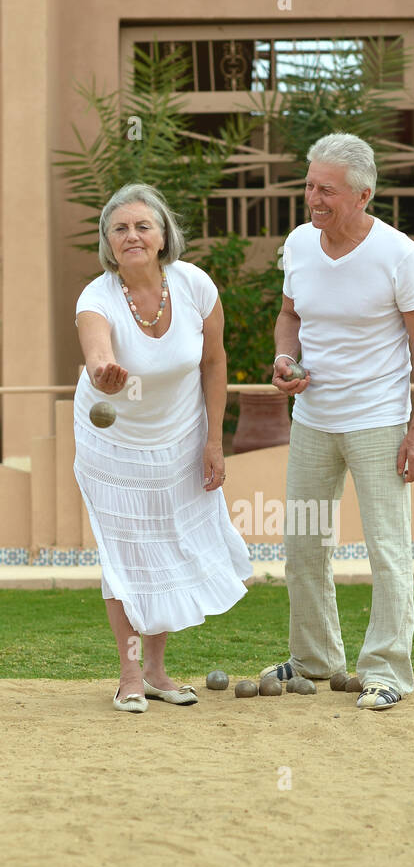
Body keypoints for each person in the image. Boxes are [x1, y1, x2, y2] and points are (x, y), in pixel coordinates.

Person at [261, 132, 414, 710]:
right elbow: (289, 317)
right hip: (312, 422)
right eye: (310, 185)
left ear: (363, 195)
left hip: (380, 423)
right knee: (304, 545)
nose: (313, 197)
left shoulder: (399, 255)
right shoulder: (299, 245)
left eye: (327, 189)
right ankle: (315, 660)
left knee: (387, 548)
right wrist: (285, 359)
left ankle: (388, 670)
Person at [73, 182, 252, 712]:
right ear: (108, 241)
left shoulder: (195, 284)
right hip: (114, 443)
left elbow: (214, 362)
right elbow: (96, 347)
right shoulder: (97, 297)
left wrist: (214, 442)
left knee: (169, 548)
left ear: (161, 235)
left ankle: (156, 671)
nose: (132, 235)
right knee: (124, 557)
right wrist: (105, 372)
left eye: (142, 226)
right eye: (120, 228)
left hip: (180, 435)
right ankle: (129, 676)